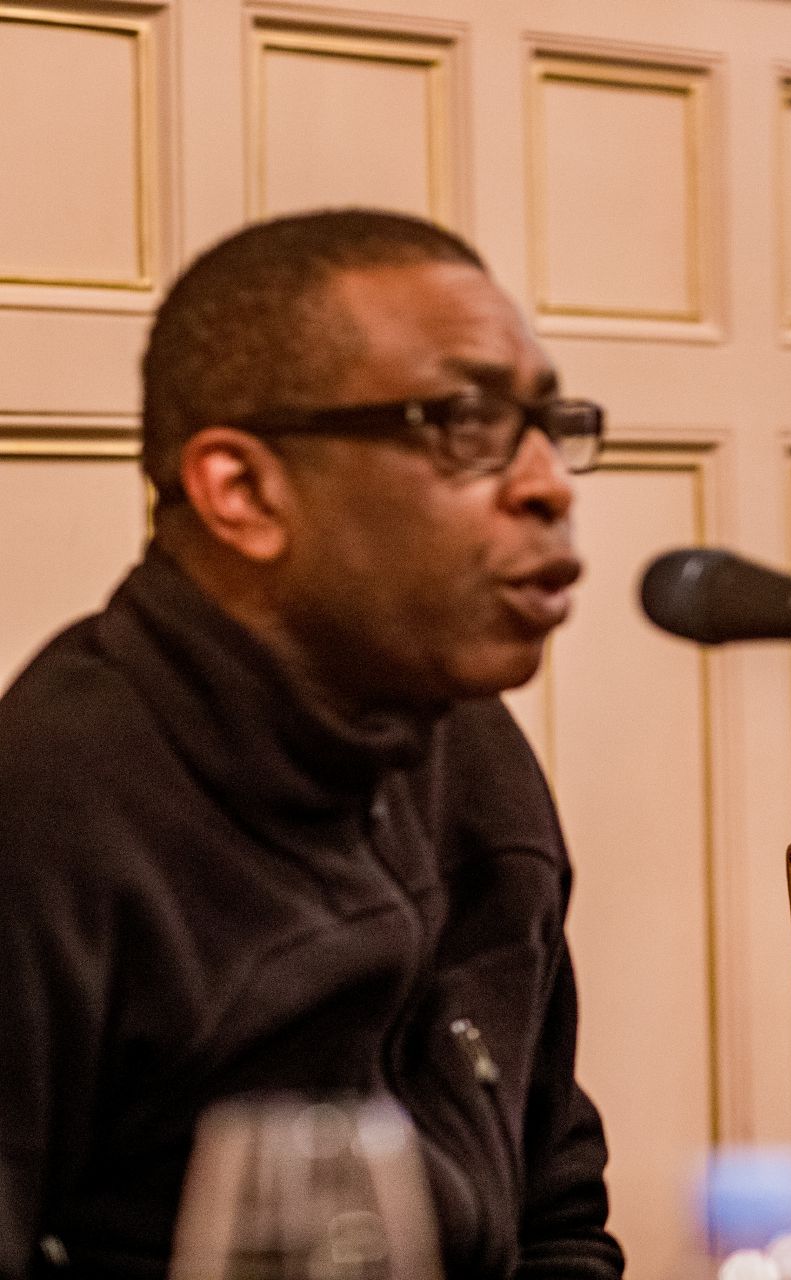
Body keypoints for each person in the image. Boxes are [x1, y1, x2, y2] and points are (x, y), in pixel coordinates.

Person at [0, 210, 622, 1277]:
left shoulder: (469, 746)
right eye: (462, 420)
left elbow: (557, 1214)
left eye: (545, 420)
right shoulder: (50, 807)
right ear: (241, 490)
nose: (547, 482)